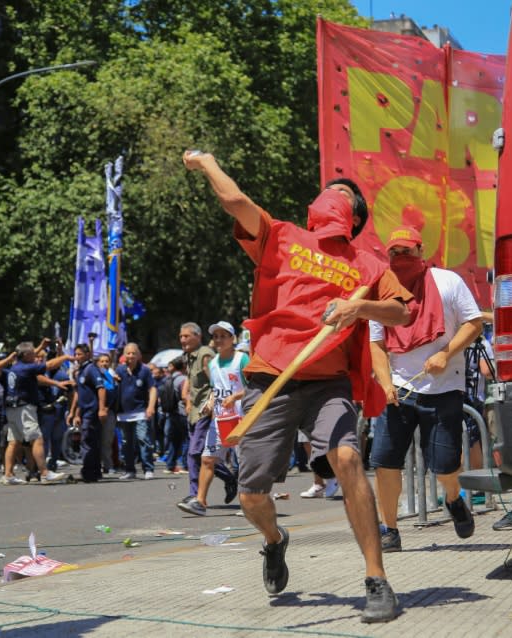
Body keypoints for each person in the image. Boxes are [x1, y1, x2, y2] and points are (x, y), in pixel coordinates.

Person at [183, 150, 411, 623]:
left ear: (355, 216)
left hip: (329, 383)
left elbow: (401, 312)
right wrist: (206, 163)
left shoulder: (368, 264)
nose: (334, 192)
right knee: (250, 495)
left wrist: (358, 310)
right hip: (271, 381)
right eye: (330, 188)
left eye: (345, 192)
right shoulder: (282, 235)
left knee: (347, 458)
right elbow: (235, 200)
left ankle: (377, 579)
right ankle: (274, 540)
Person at [369, 225, 483, 553]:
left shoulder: (449, 282)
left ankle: (453, 498)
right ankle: (389, 529)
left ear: (421, 251)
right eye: (394, 252)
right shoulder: (382, 290)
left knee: (445, 465)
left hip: (444, 387)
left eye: (406, 251)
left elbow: (473, 323)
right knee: (385, 462)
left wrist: (445, 354)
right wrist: (385, 383)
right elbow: (376, 344)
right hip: (399, 391)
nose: (400, 257)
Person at [179, 321, 246, 516]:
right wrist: (210, 401)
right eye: (216, 336)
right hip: (221, 419)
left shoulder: (242, 360)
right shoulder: (214, 362)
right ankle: (200, 502)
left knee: (244, 462)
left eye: (223, 336)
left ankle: (248, 502)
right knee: (207, 459)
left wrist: (235, 397)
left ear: (232, 339)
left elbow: (255, 387)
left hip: (242, 418)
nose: (218, 340)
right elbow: (216, 390)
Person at [0, 340, 72, 485]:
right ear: (25, 355)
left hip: (12, 408)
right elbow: (49, 365)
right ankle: (44, 473)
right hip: (24, 408)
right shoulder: (25, 368)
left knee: (14, 442)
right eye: (32, 354)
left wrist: (41, 347)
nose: (35, 356)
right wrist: (66, 357)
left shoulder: (15, 368)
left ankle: (8, 475)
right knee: (37, 439)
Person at [115, 343, 158, 480]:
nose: (131, 356)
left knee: (143, 439)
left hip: (140, 411)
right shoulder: (119, 370)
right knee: (126, 442)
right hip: (123, 413)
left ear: (138, 355)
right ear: (124, 355)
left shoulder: (144, 371)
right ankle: (129, 470)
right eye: (128, 353)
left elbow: (153, 389)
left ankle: (148, 468)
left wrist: (151, 407)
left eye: (134, 353)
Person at [69, 343, 108, 482]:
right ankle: (95, 472)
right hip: (84, 411)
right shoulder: (81, 370)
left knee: (87, 441)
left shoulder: (91, 369)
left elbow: (101, 388)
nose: (76, 357)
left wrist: (102, 409)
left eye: (79, 354)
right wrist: (76, 413)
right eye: (75, 354)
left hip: (92, 411)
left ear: (87, 354)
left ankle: (88, 472)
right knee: (91, 441)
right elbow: (81, 394)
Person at [161, 357, 188, 474]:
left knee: (174, 440)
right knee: (187, 439)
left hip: (171, 412)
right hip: (182, 412)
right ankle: (185, 465)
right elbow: (185, 395)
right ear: (183, 367)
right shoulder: (183, 379)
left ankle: (170, 465)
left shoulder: (169, 378)